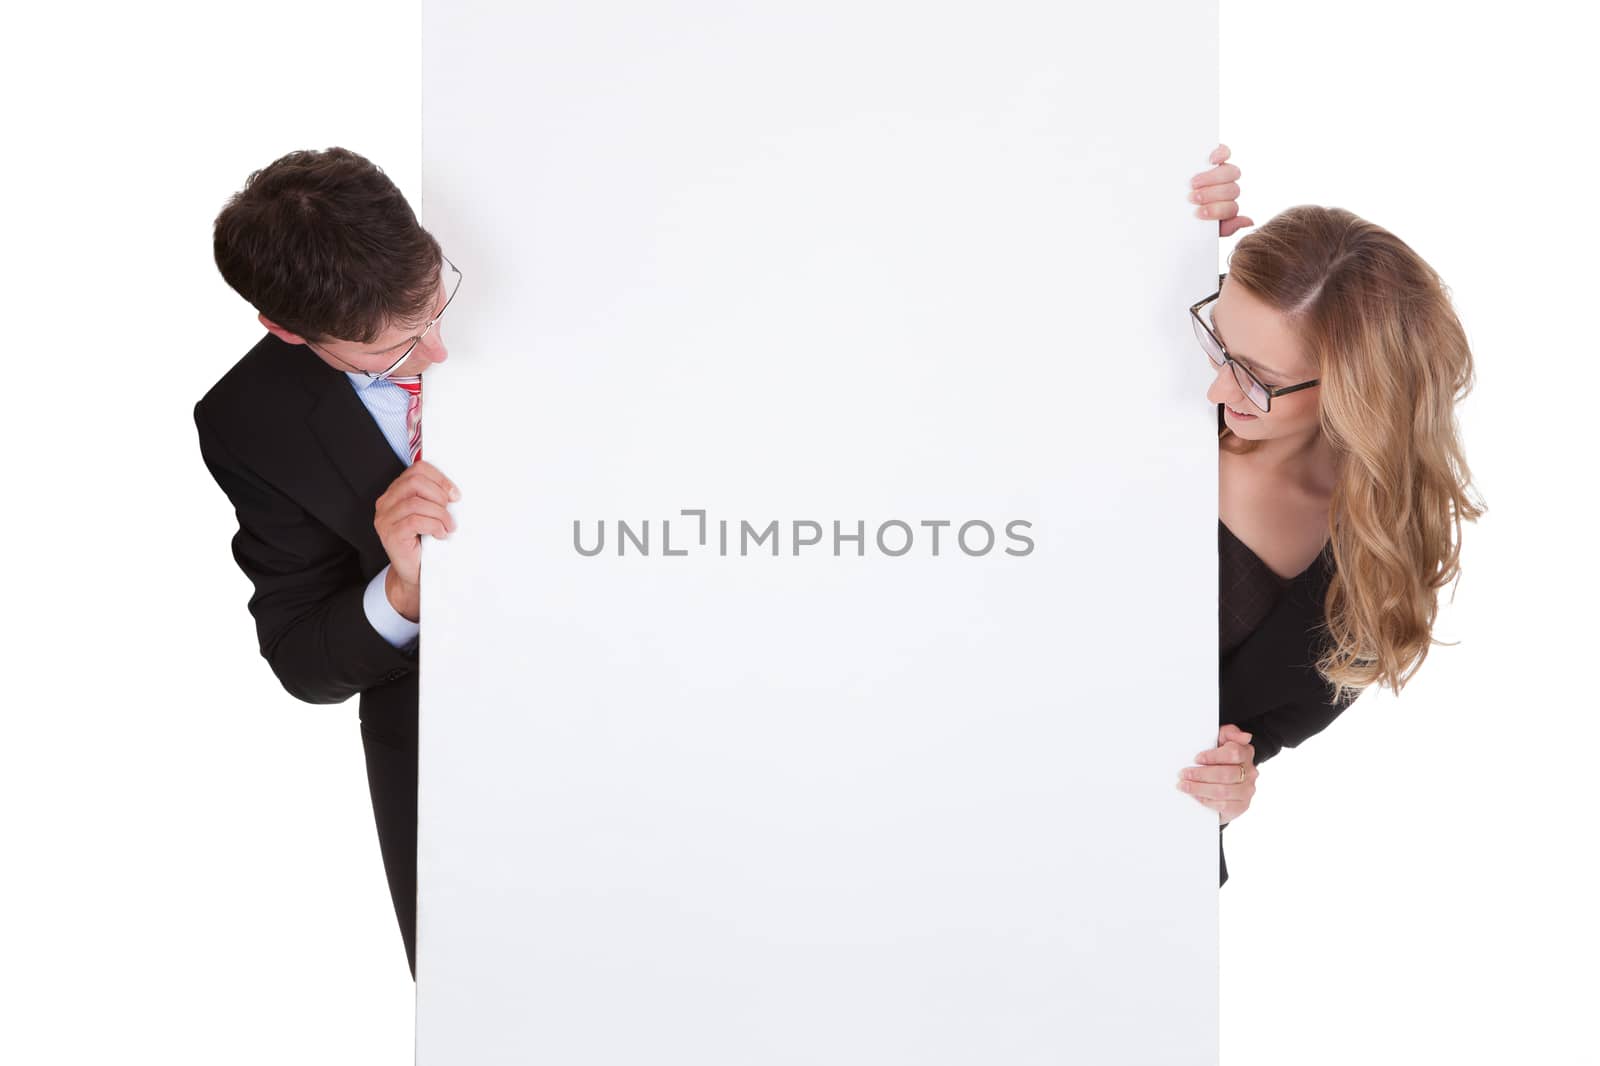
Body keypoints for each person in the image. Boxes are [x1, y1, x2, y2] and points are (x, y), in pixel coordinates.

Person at [1178, 144, 1486, 884]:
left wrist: (1224, 795)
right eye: (1220, 337)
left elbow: (1220, 761)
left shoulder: (1367, 578)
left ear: (1358, 396)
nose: (1220, 388)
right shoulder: (1164, 350)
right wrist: (1159, 224)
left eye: (1260, 379)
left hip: (1096, 853)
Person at [195, 146, 461, 978]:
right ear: (288, 332)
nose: (441, 354)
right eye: (396, 349)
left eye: (436, 305)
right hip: (443, 740)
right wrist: (404, 585)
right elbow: (304, 660)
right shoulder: (248, 421)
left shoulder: (508, 238)